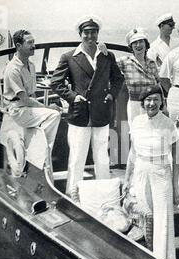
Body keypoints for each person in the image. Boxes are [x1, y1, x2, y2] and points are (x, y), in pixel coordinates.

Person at [50, 15, 124, 201]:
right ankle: (72, 194)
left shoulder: (107, 55)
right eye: (86, 32)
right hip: (80, 113)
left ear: (98, 34)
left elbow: (118, 78)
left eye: (94, 32)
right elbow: (56, 82)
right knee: (77, 157)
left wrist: (111, 94)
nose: (90, 36)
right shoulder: (69, 57)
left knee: (102, 157)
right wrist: (73, 97)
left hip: (101, 112)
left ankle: (106, 196)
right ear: (80, 34)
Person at [123, 85, 179, 259]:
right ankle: (144, 258)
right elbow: (132, 153)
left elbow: (177, 159)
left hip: (161, 171)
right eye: (148, 100)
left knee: (163, 218)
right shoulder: (137, 122)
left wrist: (175, 187)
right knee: (143, 214)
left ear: (161, 102)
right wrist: (127, 179)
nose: (152, 103)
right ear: (142, 102)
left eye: (156, 99)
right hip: (141, 170)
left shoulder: (168, 124)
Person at [3, 29, 61, 172]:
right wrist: (47, 108)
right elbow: (25, 99)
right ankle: (41, 152)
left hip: (27, 108)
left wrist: (42, 108)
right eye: (29, 43)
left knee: (56, 111)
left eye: (33, 42)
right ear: (18, 46)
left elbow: (32, 95)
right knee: (54, 114)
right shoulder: (12, 69)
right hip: (18, 110)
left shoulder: (32, 65)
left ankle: (38, 149)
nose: (33, 45)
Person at [117, 28, 160, 128]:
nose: (138, 45)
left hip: (152, 103)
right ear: (131, 46)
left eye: (141, 42)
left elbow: (158, 86)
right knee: (136, 134)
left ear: (146, 44)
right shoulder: (125, 61)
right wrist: (103, 50)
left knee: (152, 133)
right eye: (134, 43)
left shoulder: (152, 63)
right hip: (135, 105)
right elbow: (108, 65)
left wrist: (163, 106)